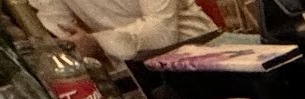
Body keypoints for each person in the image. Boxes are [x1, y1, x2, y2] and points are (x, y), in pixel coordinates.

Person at [29, 0, 216, 61]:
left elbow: (162, 34)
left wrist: (97, 42)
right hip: (131, 68)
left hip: (201, 52)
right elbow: (72, 42)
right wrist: (85, 45)